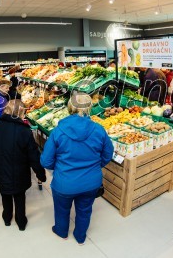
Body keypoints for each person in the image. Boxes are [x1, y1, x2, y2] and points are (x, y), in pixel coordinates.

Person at [41, 92, 113, 245]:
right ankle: (80, 236)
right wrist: (94, 167)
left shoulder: (58, 131)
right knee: (85, 210)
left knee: (61, 210)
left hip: (64, 182)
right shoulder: (99, 130)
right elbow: (108, 154)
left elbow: (46, 161)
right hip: (91, 182)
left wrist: (60, 168)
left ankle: (61, 232)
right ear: (89, 107)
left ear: (70, 107)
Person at [0, 100, 46, 230]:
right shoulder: (24, 131)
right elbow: (33, 156)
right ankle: (21, 222)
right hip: (20, 172)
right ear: (20, 113)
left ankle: (7, 218)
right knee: (20, 197)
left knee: (5, 194)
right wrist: (40, 174)